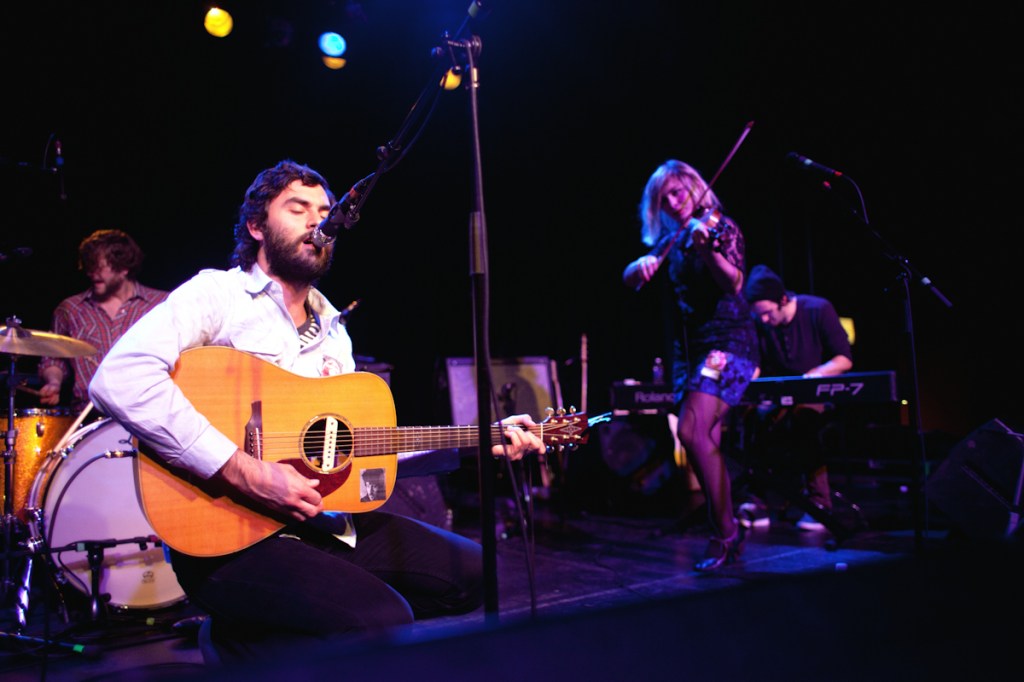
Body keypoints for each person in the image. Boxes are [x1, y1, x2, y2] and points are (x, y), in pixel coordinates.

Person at [88, 160, 545, 660]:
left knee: (472, 574)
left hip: (319, 526)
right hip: (228, 538)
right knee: (380, 622)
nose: (317, 222)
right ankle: (239, 636)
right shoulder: (217, 294)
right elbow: (119, 378)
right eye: (298, 208)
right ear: (257, 226)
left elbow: (361, 454)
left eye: (325, 212)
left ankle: (262, 635)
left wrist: (482, 439)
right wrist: (244, 470)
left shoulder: (333, 331)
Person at [622, 160, 758, 572]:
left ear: (695, 189)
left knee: (691, 429)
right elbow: (631, 279)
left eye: (680, 193)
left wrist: (709, 251)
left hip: (729, 346)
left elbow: (733, 282)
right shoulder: (670, 242)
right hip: (691, 354)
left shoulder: (719, 228)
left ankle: (726, 532)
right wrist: (637, 267)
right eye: (665, 199)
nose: (675, 202)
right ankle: (727, 531)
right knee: (704, 437)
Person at [742, 263, 853, 531]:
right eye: (760, 317)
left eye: (768, 314)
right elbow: (757, 363)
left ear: (783, 300)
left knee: (805, 420)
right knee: (753, 419)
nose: (765, 321)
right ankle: (757, 501)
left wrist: (814, 375)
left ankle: (819, 503)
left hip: (816, 391)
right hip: (780, 395)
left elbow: (843, 359)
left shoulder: (818, 309)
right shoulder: (761, 322)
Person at [38, 229, 168, 414]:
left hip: (149, 414)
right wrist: (53, 382)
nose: (92, 273)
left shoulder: (161, 305)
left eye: (99, 268)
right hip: (88, 416)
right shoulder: (70, 309)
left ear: (124, 268)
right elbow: (54, 359)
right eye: (89, 266)